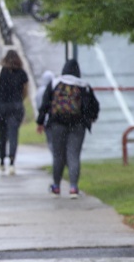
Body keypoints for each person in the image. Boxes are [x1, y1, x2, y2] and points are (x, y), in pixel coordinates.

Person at [36, 59, 100, 199]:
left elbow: (45, 104)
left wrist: (40, 122)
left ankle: (56, 187)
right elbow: (94, 106)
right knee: (73, 155)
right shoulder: (84, 86)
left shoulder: (55, 83)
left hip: (57, 124)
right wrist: (91, 118)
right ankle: (73, 188)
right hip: (78, 125)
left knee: (58, 156)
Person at [0, 49, 28, 175]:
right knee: (13, 133)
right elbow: (25, 91)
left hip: (0, 106)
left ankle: (1, 160)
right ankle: (12, 163)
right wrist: (19, 99)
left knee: (2, 133)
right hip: (16, 106)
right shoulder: (22, 73)